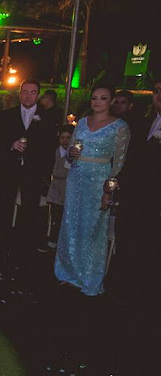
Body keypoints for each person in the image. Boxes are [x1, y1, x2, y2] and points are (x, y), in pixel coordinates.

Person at [55, 85, 130, 296]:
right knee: (71, 224)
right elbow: (69, 154)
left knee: (93, 229)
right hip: (76, 177)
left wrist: (108, 190)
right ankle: (68, 273)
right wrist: (71, 153)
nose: (97, 102)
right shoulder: (81, 123)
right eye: (94, 98)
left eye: (103, 98)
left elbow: (119, 162)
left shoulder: (120, 127)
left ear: (111, 101)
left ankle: (88, 277)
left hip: (99, 181)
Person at [0, 78, 58, 253]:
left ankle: (25, 246)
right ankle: (1, 244)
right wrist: (11, 144)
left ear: (38, 95)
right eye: (25, 92)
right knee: (4, 205)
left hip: (33, 170)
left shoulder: (47, 117)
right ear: (20, 94)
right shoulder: (7, 115)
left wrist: (42, 169)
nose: (28, 96)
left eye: (33, 92)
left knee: (30, 208)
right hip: (10, 167)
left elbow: (50, 146)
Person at [113, 78, 161, 301]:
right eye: (157, 90)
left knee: (147, 248)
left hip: (154, 201)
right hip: (133, 197)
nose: (159, 95)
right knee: (126, 241)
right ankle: (123, 289)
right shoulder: (145, 122)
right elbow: (133, 158)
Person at [37, 124, 73, 252]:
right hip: (56, 190)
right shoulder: (55, 152)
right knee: (56, 217)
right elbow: (53, 170)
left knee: (66, 218)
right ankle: (53, 241)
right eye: (62, 138)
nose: (65, 141)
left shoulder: (73, 153)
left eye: (68, 138)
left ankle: (62, 243)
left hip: (68, 190)